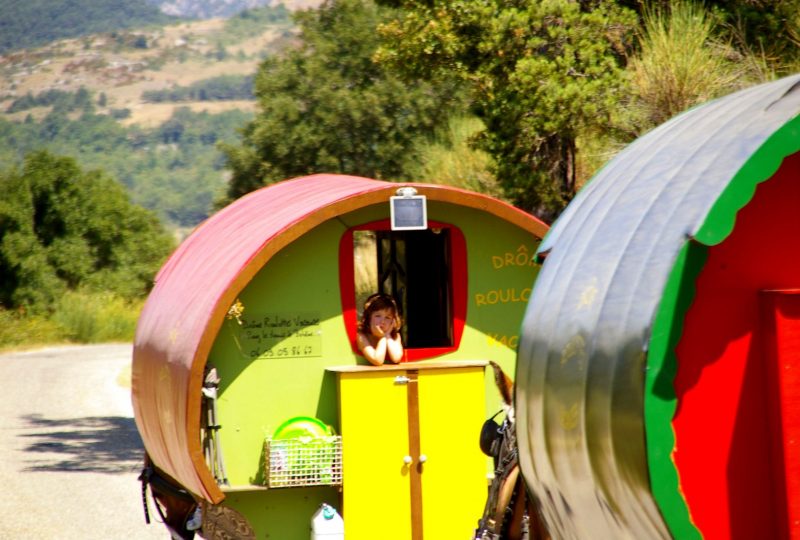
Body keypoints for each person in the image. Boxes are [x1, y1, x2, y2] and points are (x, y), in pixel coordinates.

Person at [356, 293, 404, 365]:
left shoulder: (395, 336)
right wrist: (382, 337)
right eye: (378, 316)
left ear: (393, 321)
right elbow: (378, 360)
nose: (382, 321)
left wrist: (387, 335)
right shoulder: (362, 336)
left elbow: (396, 358)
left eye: (387, 317)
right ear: (369, 318)